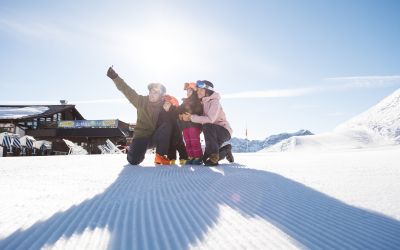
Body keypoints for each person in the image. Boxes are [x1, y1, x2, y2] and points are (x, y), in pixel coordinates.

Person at [106, 66, 171, 165]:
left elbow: (177, 116)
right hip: (141, 137)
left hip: (154, 137)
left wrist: (169, 110)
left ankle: (160, 156)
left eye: (156, 92)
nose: (152, 94)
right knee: (134, 161)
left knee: (168, 125)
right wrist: (115, 77)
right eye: (151, 91)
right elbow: (127, 90)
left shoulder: (164, 105)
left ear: (161, 95)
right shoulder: (141, 101)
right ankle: (133, 150)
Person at [181, 80, 234, 166]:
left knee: (207, 125)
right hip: (212, 134)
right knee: (206, 160)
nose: (198, 92)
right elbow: (199, 118)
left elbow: (210, 120)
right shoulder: (202, 102)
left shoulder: (214, 102)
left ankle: (214, 156)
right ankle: (226, 150)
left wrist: (191, 117)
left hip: (223, 131)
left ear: (208, 90)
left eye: (201, 90)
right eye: (198, 90)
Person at [156, 95, 188, 165]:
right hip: (168, 133)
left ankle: (183, 157)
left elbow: (180, 110)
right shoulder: (161, 112)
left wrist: (185, 102)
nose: (166, 105)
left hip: (177, 131)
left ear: (171, 104)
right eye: (165, 103)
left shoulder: (174, 111)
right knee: (170, 146)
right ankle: (171, 158)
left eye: (168, 103)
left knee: (180, 145)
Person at [177, 82, 204, 165]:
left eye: (190, 91)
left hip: (194, 125)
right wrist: (180, 115)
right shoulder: (184, 102)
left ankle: (198, 157)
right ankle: (190, 156)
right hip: (185, 125)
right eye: (187, 91)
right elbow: (178, 110)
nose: (188, 93)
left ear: (194, 92)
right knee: (187, 141)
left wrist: (190, 115)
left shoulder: (197, 100)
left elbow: (199, 110)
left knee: (194, 140)